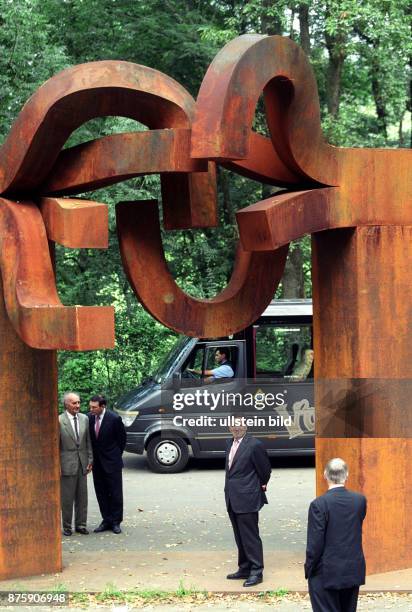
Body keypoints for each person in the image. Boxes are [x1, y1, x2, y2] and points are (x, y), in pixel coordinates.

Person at [305, 457, 367, 612]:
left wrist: (309, 568)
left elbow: (315, 543)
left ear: (325, 475)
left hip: (326, 572)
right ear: (346, 475)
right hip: (352, 569)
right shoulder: (359, 501)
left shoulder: (319, 504)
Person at [225, 416, 271, 587]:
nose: (237, 428)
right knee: (239, 536)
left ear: (246, 426)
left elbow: (265, 470)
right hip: (232, 497)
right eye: (233, 425)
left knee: (250, 536)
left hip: (248, 497)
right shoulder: (229, 444)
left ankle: (256, 572)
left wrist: (257, 487)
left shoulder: (254, 445)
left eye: (240, 425)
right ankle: (244, 568)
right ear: (229, 428)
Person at [88, 395, 127, 534]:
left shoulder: (114, 419)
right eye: (90, 406)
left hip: (112, 462)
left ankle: (116, 522)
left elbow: (122, 440)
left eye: (94, 407)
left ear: (102, 406)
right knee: (101, 493)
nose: (91, 409)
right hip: (97, 463)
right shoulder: (90, 418)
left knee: (115, 493)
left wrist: (115, 455)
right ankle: (106, 520)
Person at [59, 392, 93, 537]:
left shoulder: (85, 419)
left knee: (82, 497)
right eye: (74, 403)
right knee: (67, 498)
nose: (78, 406)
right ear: (66, 404)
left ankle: (81, 525)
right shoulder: (59, 420)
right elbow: (56, 445)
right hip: (66, 464)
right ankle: (67, 526)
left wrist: (90, 459)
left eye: (79, 402)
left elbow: (88, 442)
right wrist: (58, 466)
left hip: (82, 463)